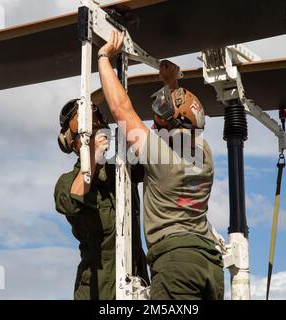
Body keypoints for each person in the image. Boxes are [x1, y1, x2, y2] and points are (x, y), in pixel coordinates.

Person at [97, 31, 224, 300]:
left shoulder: (161, 156)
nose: (157, 120)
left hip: (176, 264)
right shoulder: (205, 152)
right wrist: (172, 82)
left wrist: (103, 58)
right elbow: (182, 122)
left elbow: (122, 110)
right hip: (209, 263)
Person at [54, 99, 149, 300]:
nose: (96, 135)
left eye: (98, 129)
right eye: (88, 134)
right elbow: (71, 200)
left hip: (136, 289)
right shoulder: (67, 182)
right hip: (97, 291)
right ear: (73, 143)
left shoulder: (122, 169)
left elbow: (152, 157)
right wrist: (92, 155)